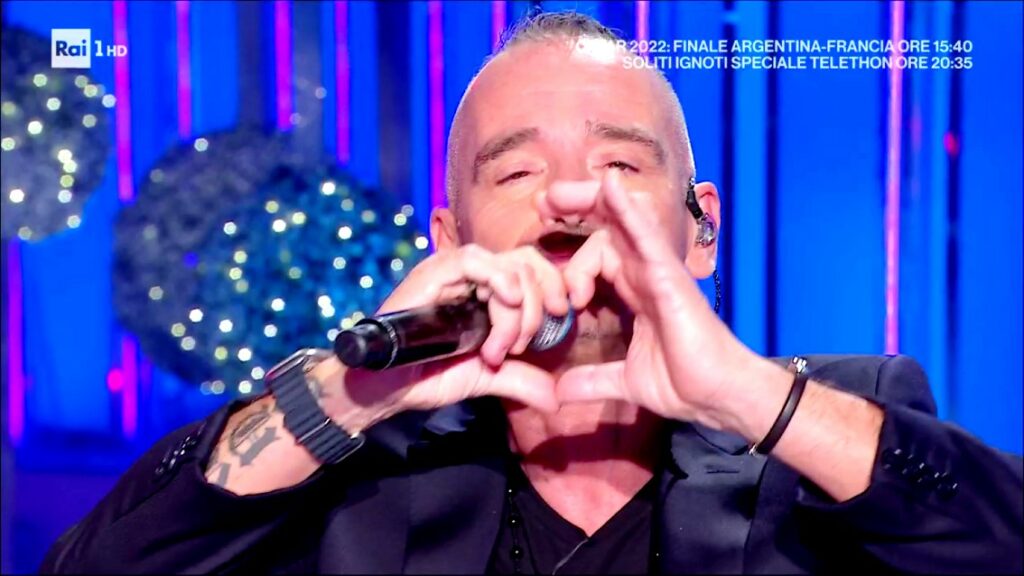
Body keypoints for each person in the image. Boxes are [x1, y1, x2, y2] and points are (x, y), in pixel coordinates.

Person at [42, 11, 1021, 575]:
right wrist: (343, 397)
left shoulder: (830, 422)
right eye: (516, 172)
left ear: (703, 230)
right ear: (451, 241)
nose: (569, 196)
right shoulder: (356, 469)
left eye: (620, 165)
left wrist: (741, 392)